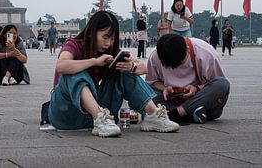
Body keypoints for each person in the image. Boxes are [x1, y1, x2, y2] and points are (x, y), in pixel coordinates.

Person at [48, 10, 179, 137]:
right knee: (73, 70)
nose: (108, 43)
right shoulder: (73, 45)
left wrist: (132, 67)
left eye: (112, 38)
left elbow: (143, 68)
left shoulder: (111, 51)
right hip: (67, 115)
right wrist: (94, 61)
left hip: (98, 113)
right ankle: (99, 118)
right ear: (91, 33)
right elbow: (61, 65)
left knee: (123, 68)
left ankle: (152, 114)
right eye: (105, 37)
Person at [146, 33, 231, 124]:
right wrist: (164, 88)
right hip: (172, 101)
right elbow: (151, 82)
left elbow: (214, 84)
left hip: (199, 99)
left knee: (222, 84)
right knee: (145, 90)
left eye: (180, 63)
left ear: (187, 49)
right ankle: (190, 114)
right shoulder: (156, 55)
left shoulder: (206, 54)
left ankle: (175, 114)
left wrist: (197, 88)